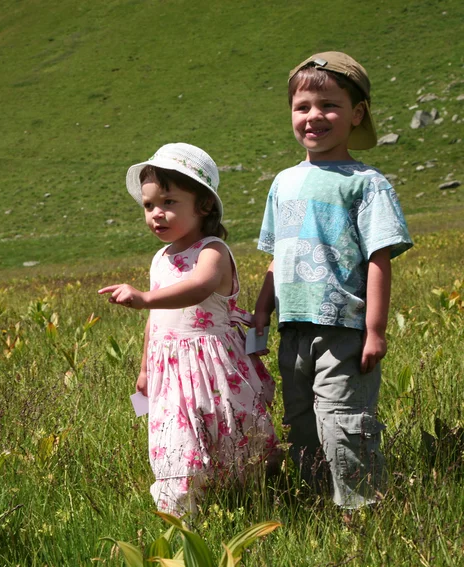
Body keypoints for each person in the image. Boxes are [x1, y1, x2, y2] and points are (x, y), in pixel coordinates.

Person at [254, 52, 413, 510]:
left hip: (344, 329)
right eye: (302, 106)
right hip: (294, 329)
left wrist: (376, 330)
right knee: (301, 422)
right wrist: (263, 308)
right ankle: (317, 503)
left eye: (329, 105)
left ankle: (361, 511)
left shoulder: (366, 183)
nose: (313, 117)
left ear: (357, 113)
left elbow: (379, 256)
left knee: (344, 422)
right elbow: (276, 255)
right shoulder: (283, 182)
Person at [99, 143, 279, 516]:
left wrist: (146, 297)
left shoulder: (212, 251)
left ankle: (251, 499)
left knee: (228, 433)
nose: (156, 215)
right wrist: (146, 368)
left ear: (204, 205)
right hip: (169, 367)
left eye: (168, 202)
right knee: (176, 439)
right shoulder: (159, 259)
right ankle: (180, 515)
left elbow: (199, 286)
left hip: (211, 364)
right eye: (148, 206)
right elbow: (156, 321)